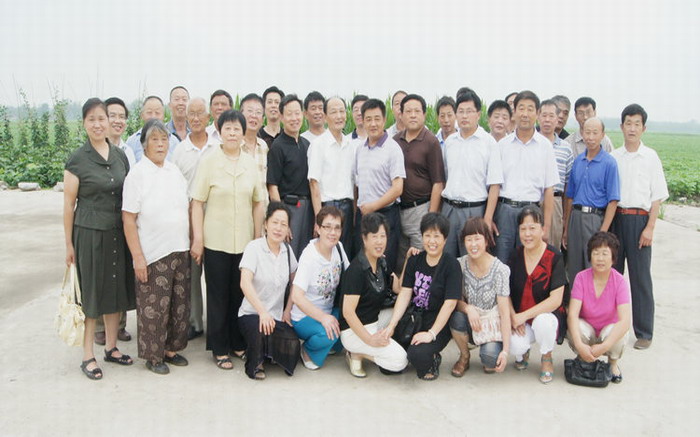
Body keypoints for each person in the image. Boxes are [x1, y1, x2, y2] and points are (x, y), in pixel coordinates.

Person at [63, 98, 136, 380]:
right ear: (84, 123)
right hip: (90, 234)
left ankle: (111, 348)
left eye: (101, 119)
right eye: (91, 119)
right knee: (92, 292)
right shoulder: (78, 160)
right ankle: (87, 355)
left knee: (115, 289)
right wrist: (68, 244)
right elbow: (69, 204)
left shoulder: (119, 156)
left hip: (117, 232)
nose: (97, 124)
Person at [190, 110, 265, 370]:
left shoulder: (250, 163)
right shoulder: (209, 161)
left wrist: (257, 238)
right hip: (215, 241)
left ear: (244, 133)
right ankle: (219, 348)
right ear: (219, 131)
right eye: (228, 128)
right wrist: (198, 238)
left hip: (244, 241)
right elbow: (197, 203)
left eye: (237, 129)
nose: (232, 133)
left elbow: (258, 203)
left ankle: (236, 342)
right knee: (218, 295)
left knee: (239, 294)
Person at [122, 119, 191, 375]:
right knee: (154, 308)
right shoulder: (137, 175)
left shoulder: (174, 171)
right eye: (154, 139)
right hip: (153, 252)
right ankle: (153, 355)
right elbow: (128, 218)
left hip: (180, 247)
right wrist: (137, 257)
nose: (160, 144)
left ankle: (171, 349)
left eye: (164, 139)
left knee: (178, 305)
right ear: (144, 144)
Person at [611, 104, 668, 350]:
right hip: (617, 219)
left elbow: (657, 196)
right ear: (621, 126)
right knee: (612, 274)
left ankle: (644, 331)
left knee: (640, 276)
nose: (632, 128)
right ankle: (611, 326)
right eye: (628, 123)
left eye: (637, 124)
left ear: (644, 128)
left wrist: (650, 227)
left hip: (639, 221)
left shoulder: (651, 157)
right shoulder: (614, 157)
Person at [386, 213, 461, 380]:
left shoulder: (451, 265)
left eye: (437, 236)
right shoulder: (415, 260)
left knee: (417, 356)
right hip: (413, 319)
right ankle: (409, 353)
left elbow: (450, 304)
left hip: (437, 324)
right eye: (427, 235)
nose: (432, 241)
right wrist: (392, 325)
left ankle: (432, 358)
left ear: (445, 239)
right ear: (422, 237)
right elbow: (405, 293)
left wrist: (431, 334)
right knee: (387, 365)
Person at [171, 97, 218, 340]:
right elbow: (176, 189)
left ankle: (217, 324)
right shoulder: (180, 151)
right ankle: (194, 322)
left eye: (201, 113)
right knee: (191, 273)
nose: (196, 118)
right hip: (189, 218)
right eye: (192, 114)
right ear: (186, 118)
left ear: (208, 117)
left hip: (217, 217)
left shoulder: (218, 146)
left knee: (216, 274)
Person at [494, 90, 559, 264]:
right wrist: (490, 217)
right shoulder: (502, 145)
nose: (525, 114)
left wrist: (546, 226)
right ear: (514, 112)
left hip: (532, 211)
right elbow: (494, 185)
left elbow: (549, 189)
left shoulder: (545, 146)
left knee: (528, 264)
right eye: (521, 108)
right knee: (502, 262)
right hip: (505, 212)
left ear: (537, 114)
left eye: (530, 109)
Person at [339, 213, 408, 377]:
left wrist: (408, 260)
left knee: (403, 312)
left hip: (375, 320)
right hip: (354, 331)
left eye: (383, 236)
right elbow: (348, 312)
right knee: (401, 361)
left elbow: (399, 288)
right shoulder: (356, 270)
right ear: (364, 239)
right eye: (374, 236)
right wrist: (370, 340)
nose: (379, 241)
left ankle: (364, 351)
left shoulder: (381, 262)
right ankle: (356, 353)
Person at [238, 202, 301, 380]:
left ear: (288, 229)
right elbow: (244, 283)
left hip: (276, 317)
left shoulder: (287, 251)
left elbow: (295, 283)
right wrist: (262, 312)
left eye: (283, 224)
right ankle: (256, 362)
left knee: (293, 343)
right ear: (266, 224)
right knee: (260, 331)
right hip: (252, 314)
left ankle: (266, 350)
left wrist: (287, 310)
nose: (278, 228)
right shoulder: (254, 248)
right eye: (275, 222)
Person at [93, 96, 135, 345]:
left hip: (123, 219)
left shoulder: (127, 150)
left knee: (121, 272)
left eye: (122, 116)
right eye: (113, 116)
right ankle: (100, 325)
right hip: (101, 222)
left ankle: (119, 324)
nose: (117, 121)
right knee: (103, 273)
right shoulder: (94, 150)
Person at [508, 206, 566, 384]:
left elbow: (556, 300)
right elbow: (505, 292)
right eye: (523, 229)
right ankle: (524, 352)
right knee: (514, 346)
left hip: (546, 316)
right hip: (521, 319)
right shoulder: (515, 255)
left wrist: (523, 315)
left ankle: (546, 357)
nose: (527, 234)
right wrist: (513, 316)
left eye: (532, 228)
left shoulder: (554, 256)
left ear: (542, 229)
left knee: (543, 323)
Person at [442, 89, 503, 258]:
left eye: (469, 111)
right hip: (448, 210)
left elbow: (495, 185)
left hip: (474, 211)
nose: (464, 116)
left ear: (478, 114)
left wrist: (487, 218)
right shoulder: (450, 142)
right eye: (460, 111)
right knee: (447, 259)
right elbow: (446, 176)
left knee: (472, 260)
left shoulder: (488, 143)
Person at [449, 217, 511, 377]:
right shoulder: (459, 265)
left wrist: (505, 351)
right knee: (456, 317)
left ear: (487, 240)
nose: (473, 244)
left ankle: (489, 348)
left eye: (477, 239)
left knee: (490, 361)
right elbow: (454, 300)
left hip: (491, 322)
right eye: (469, 239)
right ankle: (464, 356)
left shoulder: (500, 270)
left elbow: (505, 313)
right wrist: (468, 308)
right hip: (471, 320)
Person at [291, 206, 350, 369]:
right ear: (318, 228)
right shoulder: (309, 256)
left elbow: (351, 274)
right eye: (327, 227)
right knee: (330, 334)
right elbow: (296, 296)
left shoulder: (338, 248)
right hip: (304, 317)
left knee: (351, 319)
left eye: (337, 228)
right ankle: (307, 350)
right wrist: (323, 318)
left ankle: (327, 344)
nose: (333, 232)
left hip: (328, 311)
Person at [567, 231, 631, 384]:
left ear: (613, 258)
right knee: (576, 326)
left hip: (607, 331)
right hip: (587, 329)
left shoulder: (619, 281)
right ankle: (583, 355)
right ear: (590, 256)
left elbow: (625, 320)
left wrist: (605, 346)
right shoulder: (581, 277)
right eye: (596, 253)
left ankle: (613, 363)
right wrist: (579, 344)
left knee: (619, 331)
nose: (600, 258)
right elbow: (572, 314)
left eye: (605, 253)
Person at [563, 117, 620, 283]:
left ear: (603, 135)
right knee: (574, 267)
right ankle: (575, 300)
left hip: (595, 219)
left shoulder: (609, 163)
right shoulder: (578, 161)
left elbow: (613, 201)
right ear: (582, 133)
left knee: (594, 266)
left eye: (595, 133)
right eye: (587, 132)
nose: (591, 137)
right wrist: (566, 228)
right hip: (575, 218)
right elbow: (570, 196)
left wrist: (603, 232)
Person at [353, 98, 405, 272]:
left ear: (384, 120)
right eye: (368, 119)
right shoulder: (360, 149)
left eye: (377, 119)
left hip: (386, 215)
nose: (373, 124)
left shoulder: (393, 148)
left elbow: (398, 188)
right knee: (363, 264)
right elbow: (357, 184)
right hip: (364, 216)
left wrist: (373, 206)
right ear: (363, 121)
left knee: (385, 264)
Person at [394, 93, 445, 262]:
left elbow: (438, 183)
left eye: (417, 111)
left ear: (424, 114)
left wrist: (430, 218)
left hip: (421, 209)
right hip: (398, 209)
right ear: (401, 115)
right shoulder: (395, 141)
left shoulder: (431, 142)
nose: (413, 115)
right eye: (408, 111)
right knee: (401, 260)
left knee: (420, 258)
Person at [267, 94, 314, 257]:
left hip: (307, 208)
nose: (294, 118)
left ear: (303, 114)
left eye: (297, 113)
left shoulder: (307, 144)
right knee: (288, 256)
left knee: (306, 255)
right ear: (281, 117)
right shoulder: (277, 146)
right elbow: (272, 186)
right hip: (289, 208)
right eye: (289, 114)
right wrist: (282, 220)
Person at [308, 96, 355, 252]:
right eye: (334, 112)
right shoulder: (318, 145)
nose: (339, 116)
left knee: (345, 253)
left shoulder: (350, 145)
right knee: (327, 252)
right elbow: (314, 184)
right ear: (325, 116)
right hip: (328, 207)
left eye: (342, 111)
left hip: (347, 207)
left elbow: (353, 182)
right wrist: (318, 219)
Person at [538, 99, 573, 250]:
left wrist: (565, 217)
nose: (547, 120)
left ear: (557, 119)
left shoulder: (566, 148)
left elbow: (568, 186)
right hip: (533, 200)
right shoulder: (530, 143)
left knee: (551, 249)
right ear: (538, 117)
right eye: (544, 115)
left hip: (555, 202)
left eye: (551, 116)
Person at [125, 96, 180, 162]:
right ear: (142, 115)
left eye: (157, 113)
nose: (153, 116)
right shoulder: (132, 142)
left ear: (163, 115)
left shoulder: (174, 141)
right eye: (149, 112)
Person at [240, 93, 270, 207]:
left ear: (262, 119)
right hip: (241, 210)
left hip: (263, 209)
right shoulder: (233, 145)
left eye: (258, 112)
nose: (254, 116)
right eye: (250, 111)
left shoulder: (263, 146)